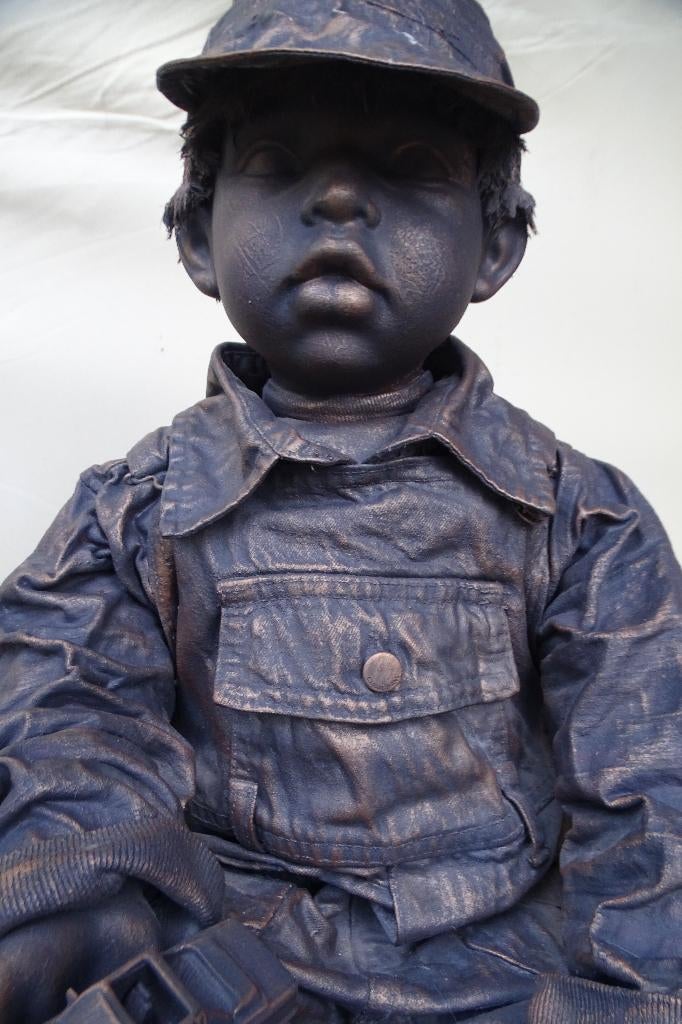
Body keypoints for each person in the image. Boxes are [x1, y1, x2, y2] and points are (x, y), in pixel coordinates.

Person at [0, 1, 680, 1021]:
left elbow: (651, 804)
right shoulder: (134, 513)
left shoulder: (579, 517)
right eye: (276, 162)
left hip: (506, 978)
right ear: (195, 234)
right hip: (220, 970)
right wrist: (73, 907)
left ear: (493, 245)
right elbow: (67, 734)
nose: (337, 200)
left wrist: (632, 999)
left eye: (408, 168)